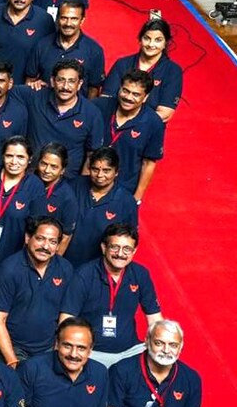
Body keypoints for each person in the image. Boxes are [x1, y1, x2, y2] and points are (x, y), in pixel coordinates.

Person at [60, 224, 162, 367]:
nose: (120, 254)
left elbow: (155, 318)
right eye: (115, 247)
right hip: (92, 353)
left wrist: (160, 349)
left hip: (130, 351)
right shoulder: (84, 275)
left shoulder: (140, 274)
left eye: (127, 249)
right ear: (103, 247)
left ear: (134, 251)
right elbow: (66, 319)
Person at [0, 217, 75, 367]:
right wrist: (12, 360)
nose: (45, 246)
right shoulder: (9, 269)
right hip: (14, 349)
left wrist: (58, 351)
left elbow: (66, 315)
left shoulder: (65, 269)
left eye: (52, 242)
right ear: (28, 238)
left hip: (49, 349)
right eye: (40, 239)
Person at [0, 136, 47, 268]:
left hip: (11, 256)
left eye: (20, 157)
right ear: (2, 156)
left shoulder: (35, 186)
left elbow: (36, 227)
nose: (14, 161)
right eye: (9, 156)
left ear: (29, 159)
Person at [94, 69, 166, 201]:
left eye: (136, 94)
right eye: (125, 91)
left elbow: (148, 163)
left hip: (123, 190)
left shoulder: (154, 123)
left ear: (145, 97)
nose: (128, 97)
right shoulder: (99, 107)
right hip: (90, 182)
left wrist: (137, 198)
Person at [64, 147, 139, 266]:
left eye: (106, 170)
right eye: (95, 169)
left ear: (116, 171)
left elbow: (129, 240)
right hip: (65, 262)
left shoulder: (126, 201)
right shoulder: (73, 186)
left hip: (99, 269)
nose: (100, 175)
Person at [107, 319, 202, 407]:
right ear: (147, 341)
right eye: (159, 343)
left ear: (180, 347)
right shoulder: (120, 371)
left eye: (173, 345)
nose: (166, 350)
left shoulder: (191, 378)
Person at [102, 18, 183, 122]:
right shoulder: (122, 64)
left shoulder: (173, 71)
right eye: (147, 38)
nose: (151, 44)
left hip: (148, 128)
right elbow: (106, 99)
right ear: (140, 39)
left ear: (165, 43)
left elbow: (165, 113)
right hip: (114, 122)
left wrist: (133, 123)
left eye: (158, 40)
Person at [18, 317, 109, 407]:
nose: (73, 354)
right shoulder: (31, 368)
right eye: (67, 346)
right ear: (57, 344)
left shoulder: (100, 372)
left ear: (90, 349)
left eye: (81, 348)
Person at [26, 0, 106, 97]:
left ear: (82, 20)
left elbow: (94, 88)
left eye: (74, 19)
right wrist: (34, 86)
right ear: (57, 19)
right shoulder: (41, 45)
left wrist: (87, 111)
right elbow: (30, 80)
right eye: (64, 18)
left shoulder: (94, 51)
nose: (68, 23)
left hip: (77, 110)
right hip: (44, 107)